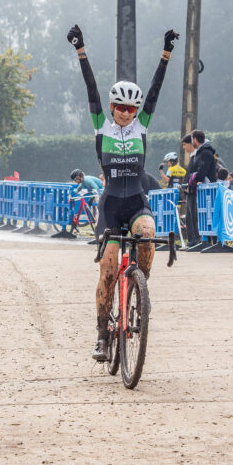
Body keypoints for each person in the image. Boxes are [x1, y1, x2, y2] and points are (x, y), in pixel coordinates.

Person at [67, 22, 178, 361]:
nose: (127, 114)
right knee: (109, 269)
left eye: (132, 109)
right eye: (121, 108)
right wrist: (81, 51)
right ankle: (102, 335)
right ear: (113, 107)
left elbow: (155, 91)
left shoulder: (142, 125)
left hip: (136, 203)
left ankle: (140, 292)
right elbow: (91, 88)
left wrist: (166, 54)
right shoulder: (101, 125)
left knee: (147, 235)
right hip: (111, 206)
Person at [182, 134, 200, 246]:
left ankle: (196, 239)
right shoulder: (192, 156)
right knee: (189, 216)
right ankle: (191, 241)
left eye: (185, 144)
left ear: (191, 143)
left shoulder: (197, 156)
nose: (183, 147)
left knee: (194, 216)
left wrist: (190, 186)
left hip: (194, 191)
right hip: (189, 191)